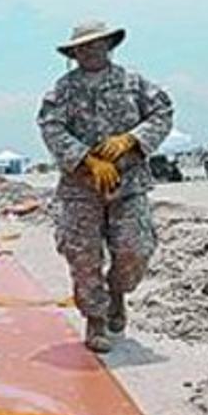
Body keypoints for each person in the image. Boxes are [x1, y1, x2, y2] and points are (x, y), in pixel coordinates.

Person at [36, 21, 173, 353]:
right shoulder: (62, 90)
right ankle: (95, 318)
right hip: (80, 188)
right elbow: (50, 126)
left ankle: (117, 293)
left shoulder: (134, 83)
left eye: (96, 45)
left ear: (109, 45)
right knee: (83, 255)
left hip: (128, 185)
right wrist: (87, 160)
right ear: (74, 53)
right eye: (82, 47)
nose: (89, 51)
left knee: (135, 249)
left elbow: (163, 112)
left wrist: (131, 139)